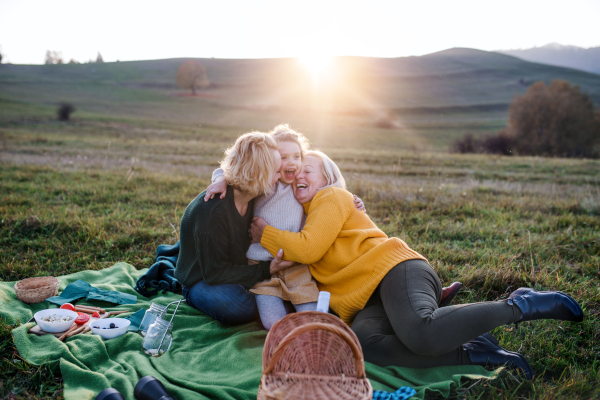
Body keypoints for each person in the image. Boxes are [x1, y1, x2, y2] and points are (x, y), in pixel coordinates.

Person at [250, 150, 584, 378]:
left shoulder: (331, 198)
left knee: (420, 332)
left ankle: (521, 305)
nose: (299, 178)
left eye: (308, 170)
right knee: (365, 345)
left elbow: (308, 249)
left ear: (327, 178)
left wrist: (265, 232)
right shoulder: (303, 220)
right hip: (371, 298)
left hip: (394, 269)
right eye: (296, 177)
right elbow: (299, 252)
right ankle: (476, 351)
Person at [204, 125, 367, 330]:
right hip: (262, 267)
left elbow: (328, 193)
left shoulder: (299, 185)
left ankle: (312, 339)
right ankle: (287, 341)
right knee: (273, 322)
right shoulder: (265, 182)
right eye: (284, 157)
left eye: (297, 157)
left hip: (295, 266)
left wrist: (354, 201)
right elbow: (230, 169)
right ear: (270, 161)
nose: (292, 163)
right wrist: (219, 179)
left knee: (312, 315)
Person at [174, 131, 295, 325]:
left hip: (234, 267)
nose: (279, 176)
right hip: (201, 279)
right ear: (259, 174)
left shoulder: (252, 193)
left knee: (261, 297)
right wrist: (268, 269)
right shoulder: (213, 214)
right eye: (276, 171)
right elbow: (214, 274)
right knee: (239, 307)